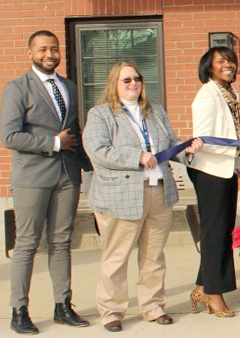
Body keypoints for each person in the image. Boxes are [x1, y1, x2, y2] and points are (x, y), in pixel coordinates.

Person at [83, 61, 204, 331]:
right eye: (126, 80)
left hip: (158, 191)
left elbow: (171, 142)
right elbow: (97, 150)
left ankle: (152, 306)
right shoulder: (101, 114)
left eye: (136, 78)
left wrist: (189, 149)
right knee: (116, 258)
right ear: (114, 83)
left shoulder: (154, 110)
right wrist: (136, 156)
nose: (133, 84)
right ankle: (112, 312)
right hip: (120, 196)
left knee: (153, 256)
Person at [0, 30, 91, 334]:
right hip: (32, 177)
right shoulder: (17, 88)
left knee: (61, 242)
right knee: (26, 244)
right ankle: (19, 310)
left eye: (54, 49)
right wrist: (54, 143)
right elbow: (10, 136)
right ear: (30, 53)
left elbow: (74, 130)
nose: (49, 54)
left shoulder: (68, 86)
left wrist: (88, 168)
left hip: (68, 175)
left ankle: (62, 306)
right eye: (42, 50)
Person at [187, 46, 240, 317]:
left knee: (222, 233)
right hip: (210, 173)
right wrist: (235, 148)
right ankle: (214, 293)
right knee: (214, 235)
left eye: (231, 60)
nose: (229, 64)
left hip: (225, 171)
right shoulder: (207, 94)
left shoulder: (229, 93)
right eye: (221, 61)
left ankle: (203, 287)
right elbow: (201, 140)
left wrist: (235, 150)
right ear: (209, 67)